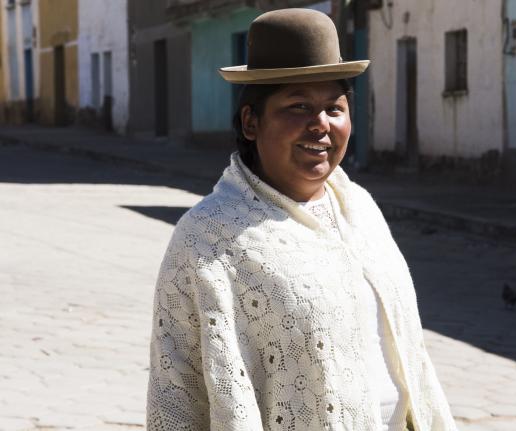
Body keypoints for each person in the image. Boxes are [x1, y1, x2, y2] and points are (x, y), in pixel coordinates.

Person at [146, 8, 457, 431]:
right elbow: (176, 391)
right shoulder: (208, 238)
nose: (320, 126)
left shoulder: (359, 208)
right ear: (251, 121)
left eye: (334, 108)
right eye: (298, 107)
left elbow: (407, 350)